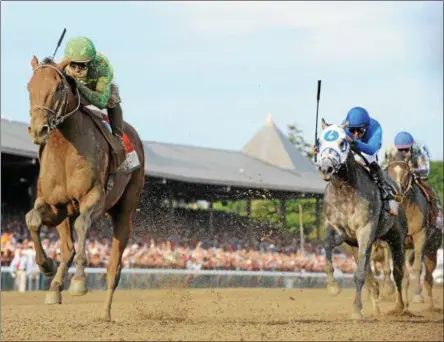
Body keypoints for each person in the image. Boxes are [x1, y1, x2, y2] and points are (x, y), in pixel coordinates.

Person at [314, 107, 399, 212]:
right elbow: (332, 140)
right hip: (351, 147)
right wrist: (317, 147)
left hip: (367, 148)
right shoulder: (345, 125)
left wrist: (354, 141)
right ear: (347, 126)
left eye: (360, 130)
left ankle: (384, 190)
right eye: (352, 130)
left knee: (370, 161)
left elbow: (371, 149)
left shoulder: (376, 128)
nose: (356, 134)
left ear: (366, 128)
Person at [62, 36, 125, 168]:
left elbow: (101, 102)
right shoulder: (63, 66)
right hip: (78, 90)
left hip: (98, 90)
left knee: (113, 98)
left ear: (90, 62)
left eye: (82, 64)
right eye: (73, 64)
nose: (77, 68)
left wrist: (79, 86)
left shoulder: (102, 67)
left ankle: (118, 138)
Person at [382, 131, 443, 230]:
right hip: (397, 175)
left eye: (406, 150)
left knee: (429, 188)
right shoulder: (390, 150)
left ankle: (437, 216)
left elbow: (426, 170)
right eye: (400, 150)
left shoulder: (420, 149)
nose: (403, 153)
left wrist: (411, 171)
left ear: (411, 147)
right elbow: (383, 168)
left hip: (415, 173)